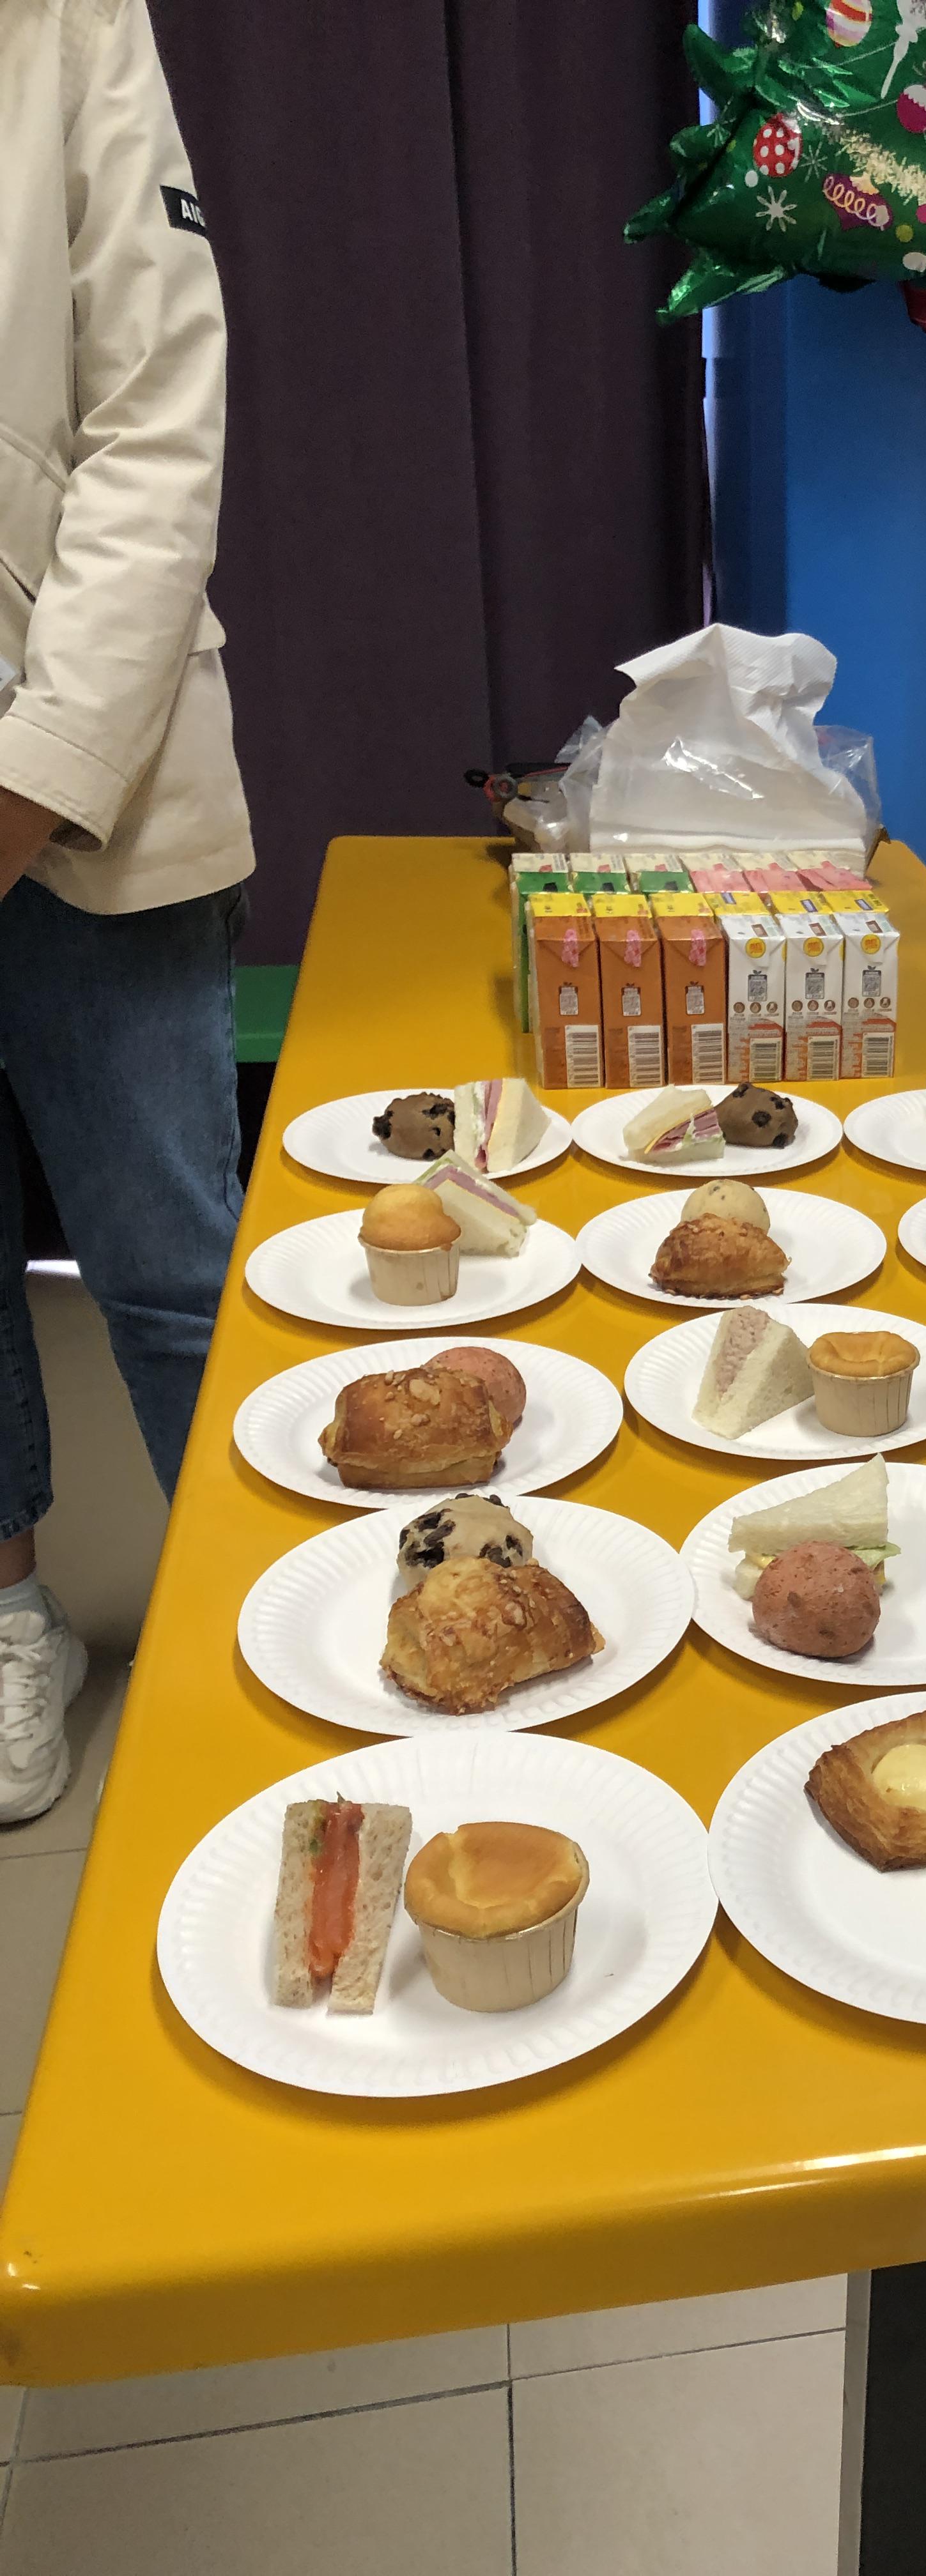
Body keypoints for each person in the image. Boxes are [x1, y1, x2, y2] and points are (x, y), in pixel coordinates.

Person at [0, 0, 254, 1820]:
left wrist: (33, 778)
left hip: (88, 768)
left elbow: (155, 428)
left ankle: (271, 1622)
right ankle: (14, 1618)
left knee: (172, 1265)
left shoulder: (67, 25)